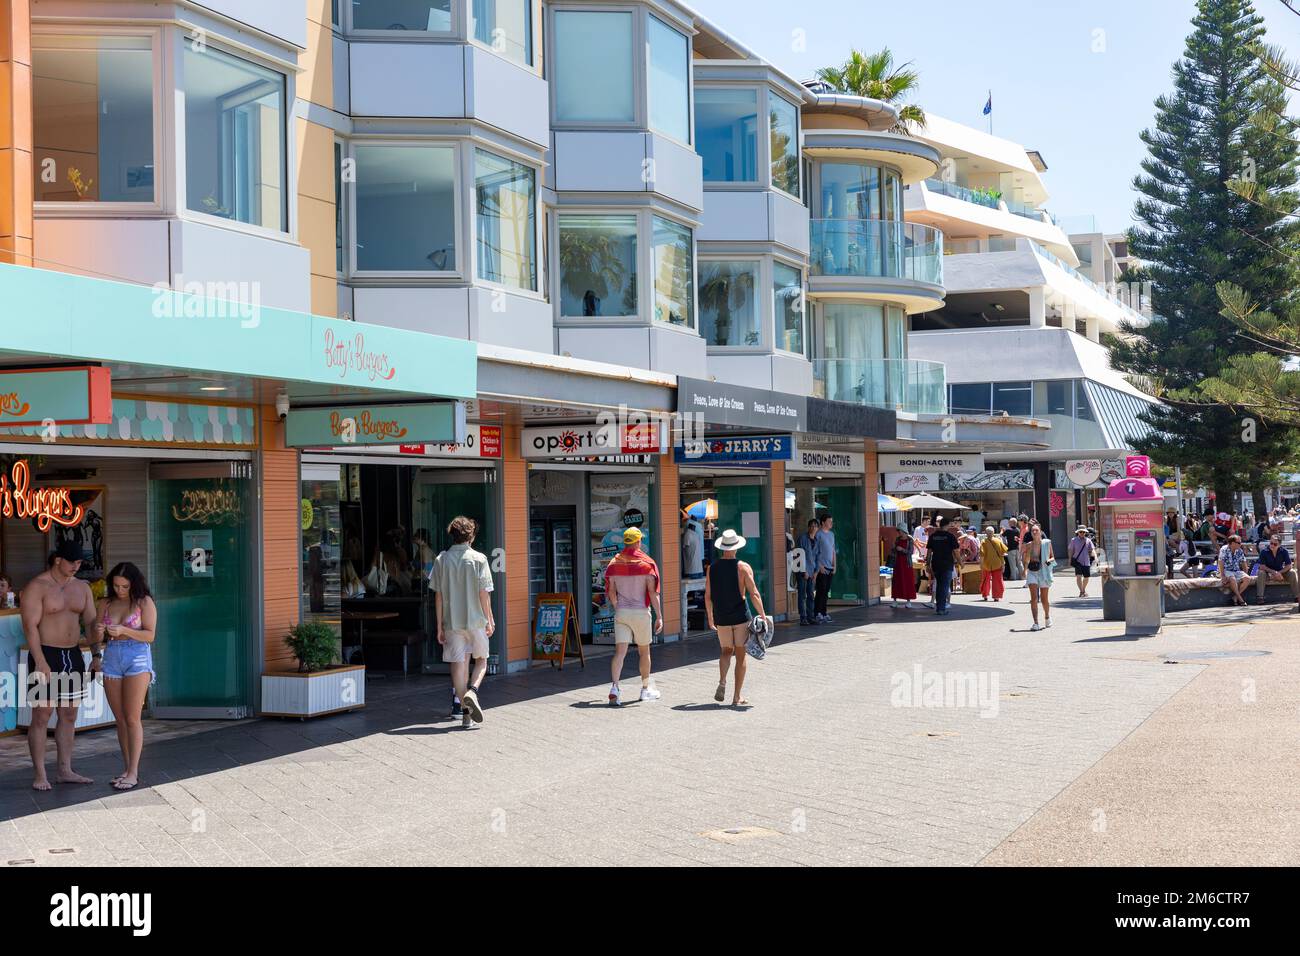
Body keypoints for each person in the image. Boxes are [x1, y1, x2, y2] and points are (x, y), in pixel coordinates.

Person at [21, 541, 99, 791]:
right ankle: (40, 774)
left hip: (72, 655)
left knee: (69, 714)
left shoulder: (82, 588)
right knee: (42, 715)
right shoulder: (37, 586)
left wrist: (97, 654)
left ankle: (65, 770)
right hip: (45, 653)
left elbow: (91, 623)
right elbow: (29, 627)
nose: (76, 566)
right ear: (58, 560)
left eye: (79, 563)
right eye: (72, 562)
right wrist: (40, 661)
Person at [95, 562, 157, 790]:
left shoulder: (143, 602)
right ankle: (126, 767)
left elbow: (150, 635)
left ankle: (134, 771)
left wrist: (124, 630)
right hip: (112, 656)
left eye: (125, 586)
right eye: (116, 585)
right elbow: (95, 636)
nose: (120, 590)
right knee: (120, 719)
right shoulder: (106, 603)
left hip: (137, 657)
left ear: (134, 584)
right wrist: (99, 632)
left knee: (132, 718)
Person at [430, 516, 495, 728]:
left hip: (452, 623)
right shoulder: (479, 559)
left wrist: (439, 625)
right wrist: (489, 619)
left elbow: (438, 596)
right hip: (476, 621)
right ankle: (473, 692)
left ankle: (466, 713)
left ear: (452, 535)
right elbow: (484, 593)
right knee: (482, 660)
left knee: (458, 667)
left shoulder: (441, 560)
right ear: (471, 536)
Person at [705, 529, 766, 708]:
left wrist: (710, 617)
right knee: (740, 655)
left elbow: (708, 595)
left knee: (725, 651)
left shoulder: (712, 568)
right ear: (736, 547)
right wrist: (762, 615)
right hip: (740, 616)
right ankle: (736, 697)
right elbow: (754, 593)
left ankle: (722, 681)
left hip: (721, 616)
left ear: (722, 548)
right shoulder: (743, 567)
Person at [604, 527, 664, 706]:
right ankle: (645, 689)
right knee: (644, 652)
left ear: (625, 541)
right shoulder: (647, 564)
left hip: (622, 612)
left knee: (620, 653)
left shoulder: (614, 563)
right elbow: (653, 593)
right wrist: (659, 616)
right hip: (640, 612)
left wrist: (617, 606)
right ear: (638, 542)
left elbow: (611, 591)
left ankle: (615, 687)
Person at [923, 517, 961, 616]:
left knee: (939, 585)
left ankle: (939, 607)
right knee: (944, 587)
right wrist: (960, 562)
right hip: (947, 564)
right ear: (947, 525)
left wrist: (927, 564)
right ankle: (941, 609)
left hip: (936, 564)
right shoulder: (950, 536)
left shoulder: (933, 536)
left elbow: (929, 552)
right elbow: (956, 552)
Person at [1255, 534, 1300, 609]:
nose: (1272, 545)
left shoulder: (1284, 551)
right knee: (1261, 572)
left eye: (1275, 544)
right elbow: (1262, 566)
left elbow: (1289, 565)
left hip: (1280, 572)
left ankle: (1297, 596)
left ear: (1279, 544)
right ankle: (1260, 597)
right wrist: (1273, 572)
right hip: (1268, 572)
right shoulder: (1264, 551)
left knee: (1292, 572)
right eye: (1271, 543)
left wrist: (1279, 573)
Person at [1024, 524, 1055, 631]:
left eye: (1036, 530)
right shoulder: (1029, 545)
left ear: (1040, 531)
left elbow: (1052, 557)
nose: (1035, 532)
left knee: (1044, 598)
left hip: (1043, 571)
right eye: (1033, 531)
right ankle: (1035, 623)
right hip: (1032, 571)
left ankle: (1047, 616)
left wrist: (1048, 561)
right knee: (1034, 598)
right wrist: (1024, 570)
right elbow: (1027, 559)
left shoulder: (1047, 543)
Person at [812, 513, 836, 624]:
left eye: (831, 521)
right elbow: (815, 552)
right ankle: (818, 613)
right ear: (823, 522)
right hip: (822, 568)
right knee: (820, 591)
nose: (831, 523)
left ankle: (824, 612)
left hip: (830, 567)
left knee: (826, 591)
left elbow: (833, 551)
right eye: (829, 521)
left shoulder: (831, 534)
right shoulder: (818, 534)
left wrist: (835, 565)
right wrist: (819, 566)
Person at [794, 519, 819, 625]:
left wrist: (816, 572)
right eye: (811, 526)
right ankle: (803, 617)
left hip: (812, 571)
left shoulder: (817, 540)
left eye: (815, 526)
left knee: (810, 595)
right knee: (802, 595)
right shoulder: (802, 538)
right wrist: (804, 571)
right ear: (808, 527)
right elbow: (798, 555)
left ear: (818, 528)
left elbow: (818, 556)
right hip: (802, 571)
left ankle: (811, 616)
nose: (813, 528)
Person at [1218, 534, 1250, 606]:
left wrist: (1245, 574)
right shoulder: (1224, 549)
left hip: (1236, 571)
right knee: (1232, 578)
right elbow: (1221, 562)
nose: (1240, 544)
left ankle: (1235, 597)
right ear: (1232, 543)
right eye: (1238, 543)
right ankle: (1240, 599)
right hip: (1226, 570)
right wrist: (1222, 575)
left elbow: (1244, 563)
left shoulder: (1240, 550)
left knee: (1247, 578)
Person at [978, 526, 1008, 602]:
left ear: (985, 533)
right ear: (993, 533)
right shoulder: (998, 541)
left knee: (985, 580)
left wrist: (981, 564)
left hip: (986, 564)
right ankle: (996, 596)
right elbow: (1002, 554)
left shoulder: (983, 542)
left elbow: (982, 555)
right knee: (997, 580)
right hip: (997, 563)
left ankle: (985, 595)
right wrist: (1003, 564)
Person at [1067, 526, 1097, 598]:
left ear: (1085, 532)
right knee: (1079, 576)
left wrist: (1095, 557)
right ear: (1078, 532)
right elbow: (1071, 550)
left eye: (1083, 532)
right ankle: (1082, 591)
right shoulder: (1073, 540)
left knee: (1086, 577)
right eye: (1080, 532)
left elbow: (1092, 549)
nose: (1082, 533)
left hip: (1086, 561)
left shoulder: (1088, 540)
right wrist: (1070, 559)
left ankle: (1083, 589)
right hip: (1077, 561)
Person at [891, 530, 917, 609]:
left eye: (900, 531)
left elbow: (911, 551)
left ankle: (908, 601)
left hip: (907, 563)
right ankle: (895, 600)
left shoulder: (910, 540)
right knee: (896, 581)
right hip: (897, 563)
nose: (899, 533)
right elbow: (893, 550)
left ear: (904, 531)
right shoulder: (897, 539)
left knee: (907, 581)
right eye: (898, 531)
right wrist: (895, 548)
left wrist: (902, 549)